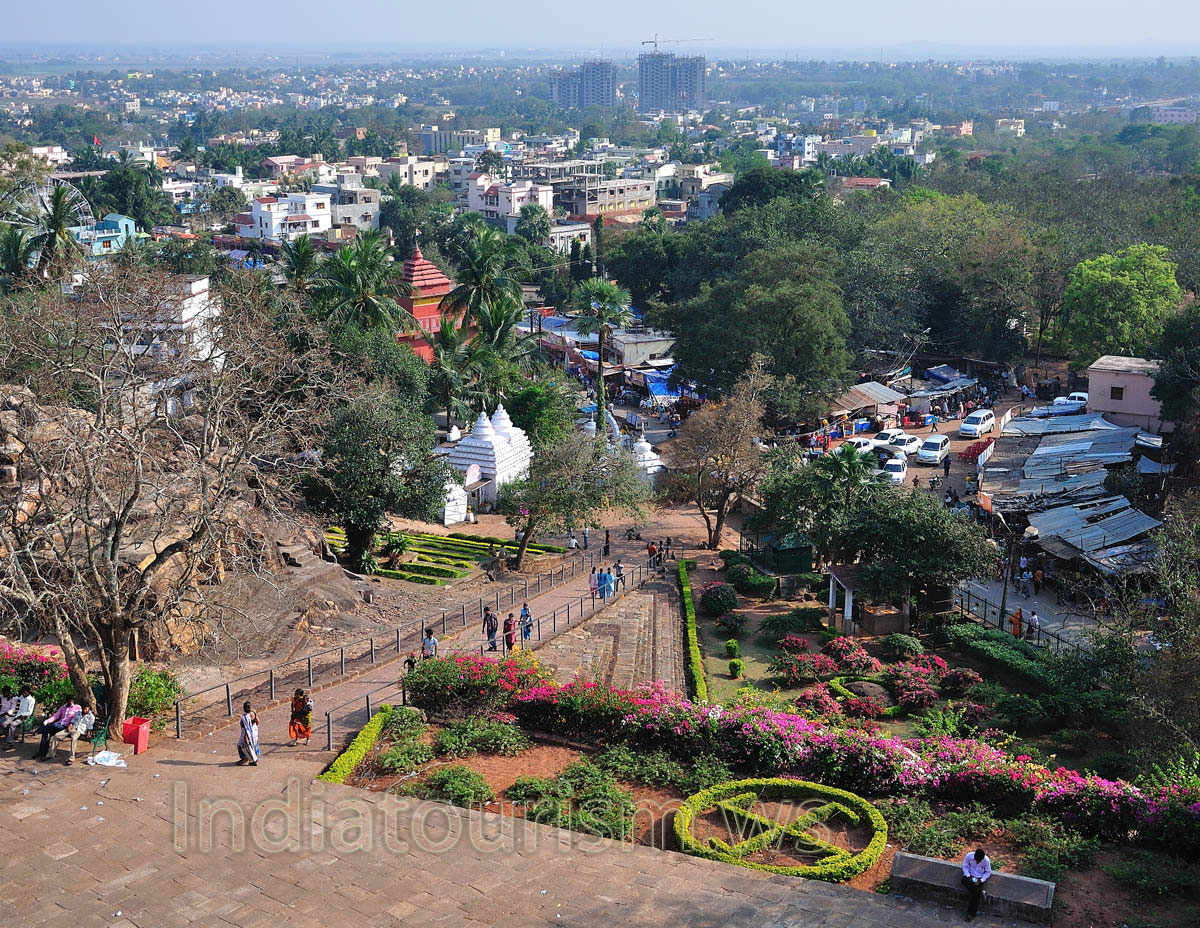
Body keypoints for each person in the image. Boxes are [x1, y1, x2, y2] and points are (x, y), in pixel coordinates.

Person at [961, 848, 992, 919]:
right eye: (977, 859)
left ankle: (971, 913)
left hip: (979, 878)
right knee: (965, 882)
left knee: (975, 895)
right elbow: (965, 867)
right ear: (974, 856)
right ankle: (980, 892)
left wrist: (981, 880)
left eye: (980, 860)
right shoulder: (969, 856)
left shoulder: (986, 860)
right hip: (969, 876)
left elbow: (988, 872)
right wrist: (968, 876)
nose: (978, 861)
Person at [237, 702, 260, 767]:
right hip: (254, 732)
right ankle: (255, 759)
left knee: (240, 745)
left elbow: (244, 727)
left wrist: (246, 736)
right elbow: (258, 721)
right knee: (254, 745)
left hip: (247, 734)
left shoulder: (244, 717)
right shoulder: (254, 713)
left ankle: (245, 758)